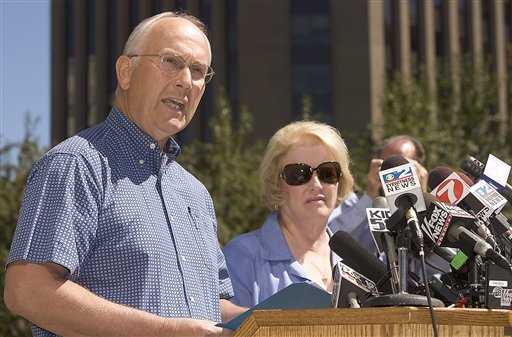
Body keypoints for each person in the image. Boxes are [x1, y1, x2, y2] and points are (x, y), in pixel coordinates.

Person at [4, 12, 244, 337]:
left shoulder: (195, 193)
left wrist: (292, 316)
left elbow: (210, 308)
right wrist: (165, 332)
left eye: (198, 71)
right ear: (125, 72)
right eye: (171, 61)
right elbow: (27, 291)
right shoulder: (77, 163)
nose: (186, 81)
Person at [223, 121, 355, 307]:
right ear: (276, 184)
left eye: (327, 173)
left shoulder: (354, 262)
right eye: (299, 174)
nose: (317, 185)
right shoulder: (243, 256)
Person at [328, 135, 428, 257]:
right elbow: (330, 234)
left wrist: (422, 199)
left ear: (419, 169)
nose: (393, 174)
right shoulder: (357, 203)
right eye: (387, 165)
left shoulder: (435, 208)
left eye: (401, 165)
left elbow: (438, 265)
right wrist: (370, 195)